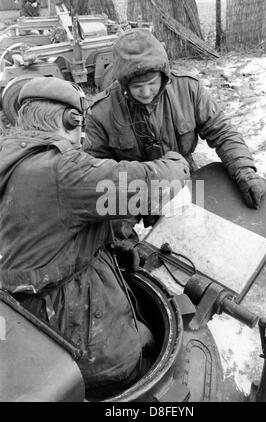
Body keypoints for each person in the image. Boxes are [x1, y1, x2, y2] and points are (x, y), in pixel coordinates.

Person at [0, 76, 189, 399]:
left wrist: (114, 241)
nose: (81, 139)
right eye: (79, 129)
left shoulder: (12, 155)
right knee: (123, 368)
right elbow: (146, 186)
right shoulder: (59, 167)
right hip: (69, 312)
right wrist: (178, 163)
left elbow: (53, 222)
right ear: (69, 120)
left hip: (24, 316)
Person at [84, 29, 266, 217]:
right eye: (137, 87)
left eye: (152, 83)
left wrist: (245, 171)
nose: (146, 92)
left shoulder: (188, 89)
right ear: (123, 83)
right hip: (136, 190)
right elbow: (96, 172)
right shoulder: (102, 111)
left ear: (163, 75)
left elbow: (222, 131)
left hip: (186, 177)